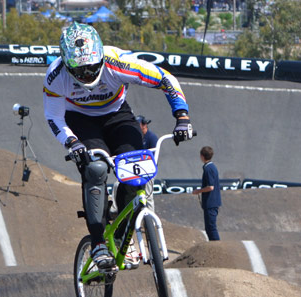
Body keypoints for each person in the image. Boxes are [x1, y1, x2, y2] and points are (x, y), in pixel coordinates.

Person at [43, 22, 193, 270]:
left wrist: (183, 118)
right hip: (80, 121)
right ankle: (99, 243)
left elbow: (165, 79)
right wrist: (72, 142)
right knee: (96, 169)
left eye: (92, 68)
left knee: (136, 171)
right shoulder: (56, 76)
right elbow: (54, 117)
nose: (88, 75)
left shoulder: (119, 62)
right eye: (80, 71)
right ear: (66, 64)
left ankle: (123, 229)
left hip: (117, 115)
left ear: (101, 57)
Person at [192, 146, 221, 241]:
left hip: (211, 202)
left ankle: (217, 248)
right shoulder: (209, 167)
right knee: (209, 227)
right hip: (211, 202)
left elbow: (210, 187)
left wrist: (198, 191)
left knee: (211, 228)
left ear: (202, 156)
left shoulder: (209, 169)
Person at [136, 114, 158, 212]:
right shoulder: (138, 138)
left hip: (148, 171)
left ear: (143, 125)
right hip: (137, 170)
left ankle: (151, 223)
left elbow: (153, 157)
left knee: (148, 196)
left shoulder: (152, 137)